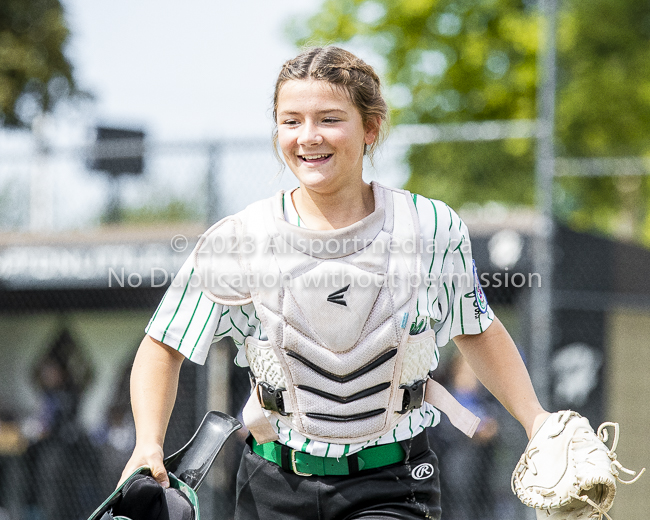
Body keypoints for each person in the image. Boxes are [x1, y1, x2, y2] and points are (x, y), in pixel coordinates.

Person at [119, 46, 549, 520]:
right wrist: (147, 444)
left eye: (328, 118)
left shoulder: (428, 226)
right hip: (272, 483)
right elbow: (164, 345)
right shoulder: (242, 238)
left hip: (393, 480)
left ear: (371, 128)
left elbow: (476, 328)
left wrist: (538, 421)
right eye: (290, 121)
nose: (308, 137)